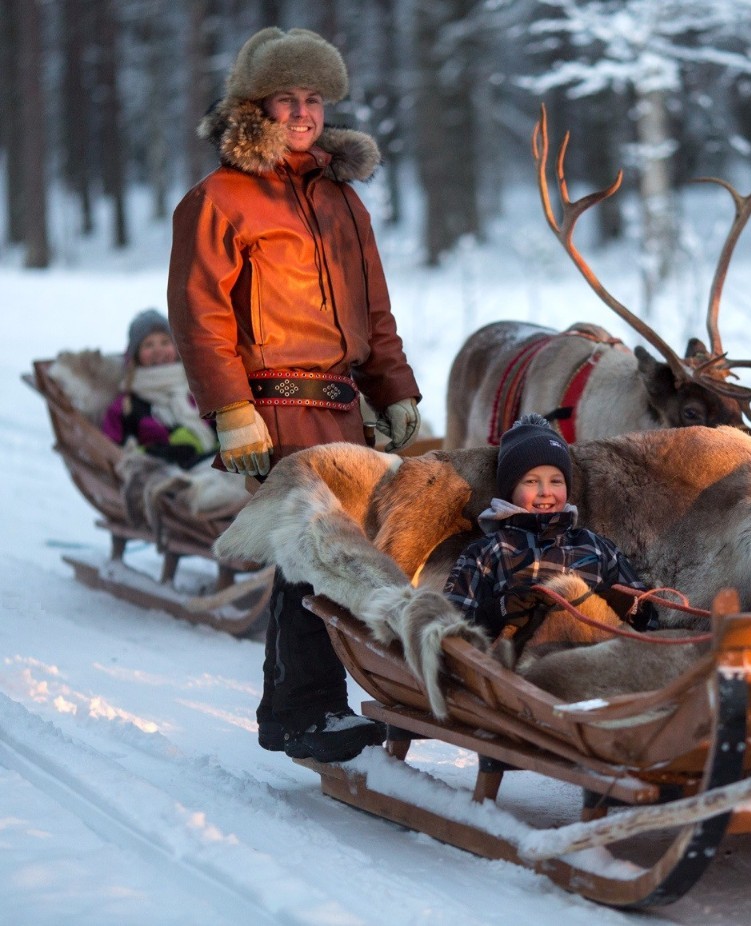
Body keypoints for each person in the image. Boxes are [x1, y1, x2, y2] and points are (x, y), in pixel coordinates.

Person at [167, 27, 422, 764]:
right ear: (257, 107)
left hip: (343, 406)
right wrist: (229, 409)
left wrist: (394, 389)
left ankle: (293, 709)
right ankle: (308, 711)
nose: (304, 112)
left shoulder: (343, 200)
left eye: (314, 98)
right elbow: (199, 313)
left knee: (330, 551)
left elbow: (375, 310)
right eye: (288, 98)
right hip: (271, 407)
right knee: (316, 550)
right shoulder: (218, 200)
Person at [443, 414, 656, 644]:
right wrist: (495, 613)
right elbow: (448, 628)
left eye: (556, 481)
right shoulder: (487, 552)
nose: (546, 491)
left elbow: (651, 623)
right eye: (531, 481)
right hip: (518, 670)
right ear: (510, 490)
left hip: (595, 662)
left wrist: (630, 606)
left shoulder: (596, 547)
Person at [101, 309, 218, 469]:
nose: (158, 350)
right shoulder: (126, 406)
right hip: (162, 481)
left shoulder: (197, 389)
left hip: (215, 469)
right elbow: (112, 450)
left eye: (165, 342)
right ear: (136, 355)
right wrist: (156, 453)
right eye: (149, 345)